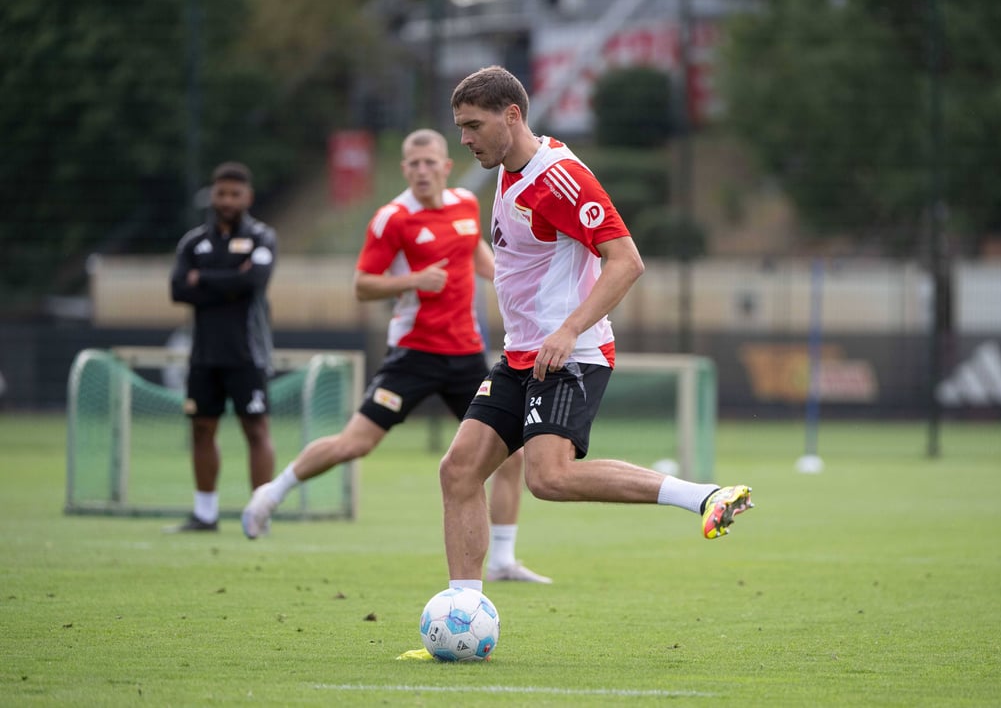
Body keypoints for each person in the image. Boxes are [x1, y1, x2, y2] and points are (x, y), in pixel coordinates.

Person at [440, 65, 754, 593]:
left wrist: (567, 330)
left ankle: (703, 495)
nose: (465, 138)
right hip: (522, 354)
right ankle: (463, 612)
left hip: (570, 354)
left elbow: (626, 261)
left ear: (511, 116)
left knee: (549, 477)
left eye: (472, 125)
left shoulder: (559, 176)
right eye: (461, 127)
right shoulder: (507, 166)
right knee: (458, 471)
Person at [241, 129, 551, 584]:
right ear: (405, 170)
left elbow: (475, 253)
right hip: (413, 356)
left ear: (446, 166)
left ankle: (503, 560)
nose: (422, 171)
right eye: (413, 164)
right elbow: (363, 285)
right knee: (356, 443)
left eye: (430, 163)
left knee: (510, 457)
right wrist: (413, 281)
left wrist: (509, 279)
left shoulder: (466, 204)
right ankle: (271, 493)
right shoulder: (392, 219)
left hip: (465, 355)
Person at [167, 161, 277, 532]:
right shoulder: (193, 241)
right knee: (201, 429)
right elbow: (178, 289)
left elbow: (255, 281)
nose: (227, 200)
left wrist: (205, 281)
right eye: (221, 193)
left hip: (247, 353)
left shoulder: (263, 237)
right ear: (211, 195)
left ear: (248, 197)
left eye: (235, 193)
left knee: (255, 430)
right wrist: (231, 278)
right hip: (204, 355)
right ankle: (205, 513)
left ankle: (259, 514)